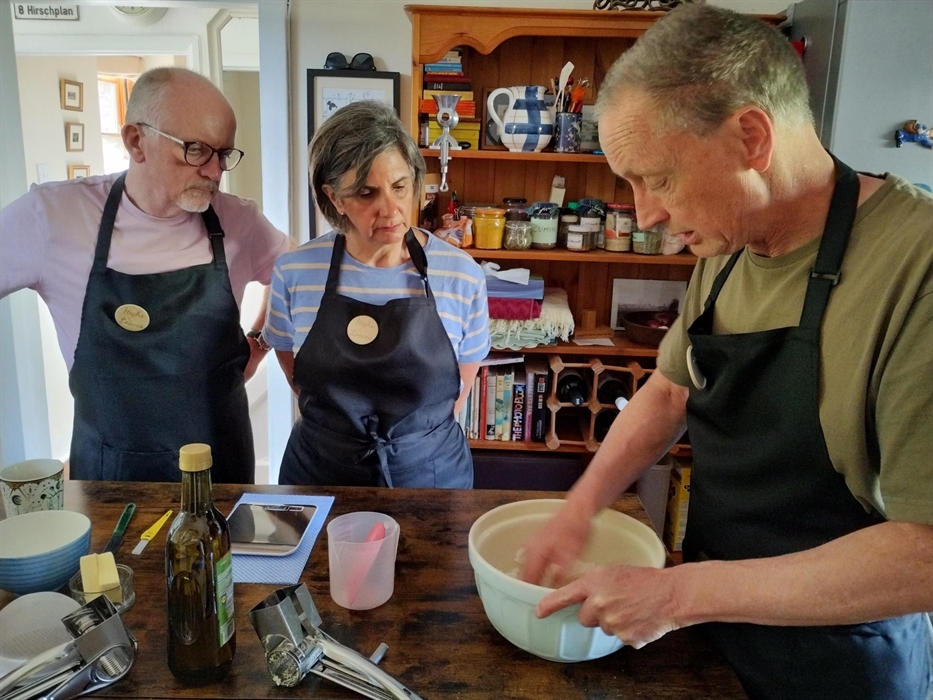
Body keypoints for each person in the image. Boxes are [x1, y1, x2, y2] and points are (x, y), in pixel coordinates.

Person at [520, 6, 932, 700]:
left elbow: (923, 551)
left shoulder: (914, 266)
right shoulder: (728, 243)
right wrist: (580, 505)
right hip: (714, 632)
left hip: (841, 663)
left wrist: (679, 595)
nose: (644, 213)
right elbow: (670, 389)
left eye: (657, 178)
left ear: (750, 136)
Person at [0, 67, 290, 483]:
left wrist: (260, 341)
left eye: (223, 154)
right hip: (109, 478)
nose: (214, 171)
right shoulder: (55, 217)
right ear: (136, 141)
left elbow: (299, 275)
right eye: (196, 150)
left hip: (220, 472)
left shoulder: (238, 220)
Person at [264, 100, 489, 488]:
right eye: (367, 193)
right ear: (334, 198)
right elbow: (298, 379)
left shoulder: (461, 275)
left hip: (431, 477)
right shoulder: (295, 272)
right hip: (320, 474)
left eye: (400, 187)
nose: (391, 210)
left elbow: (457, 394)